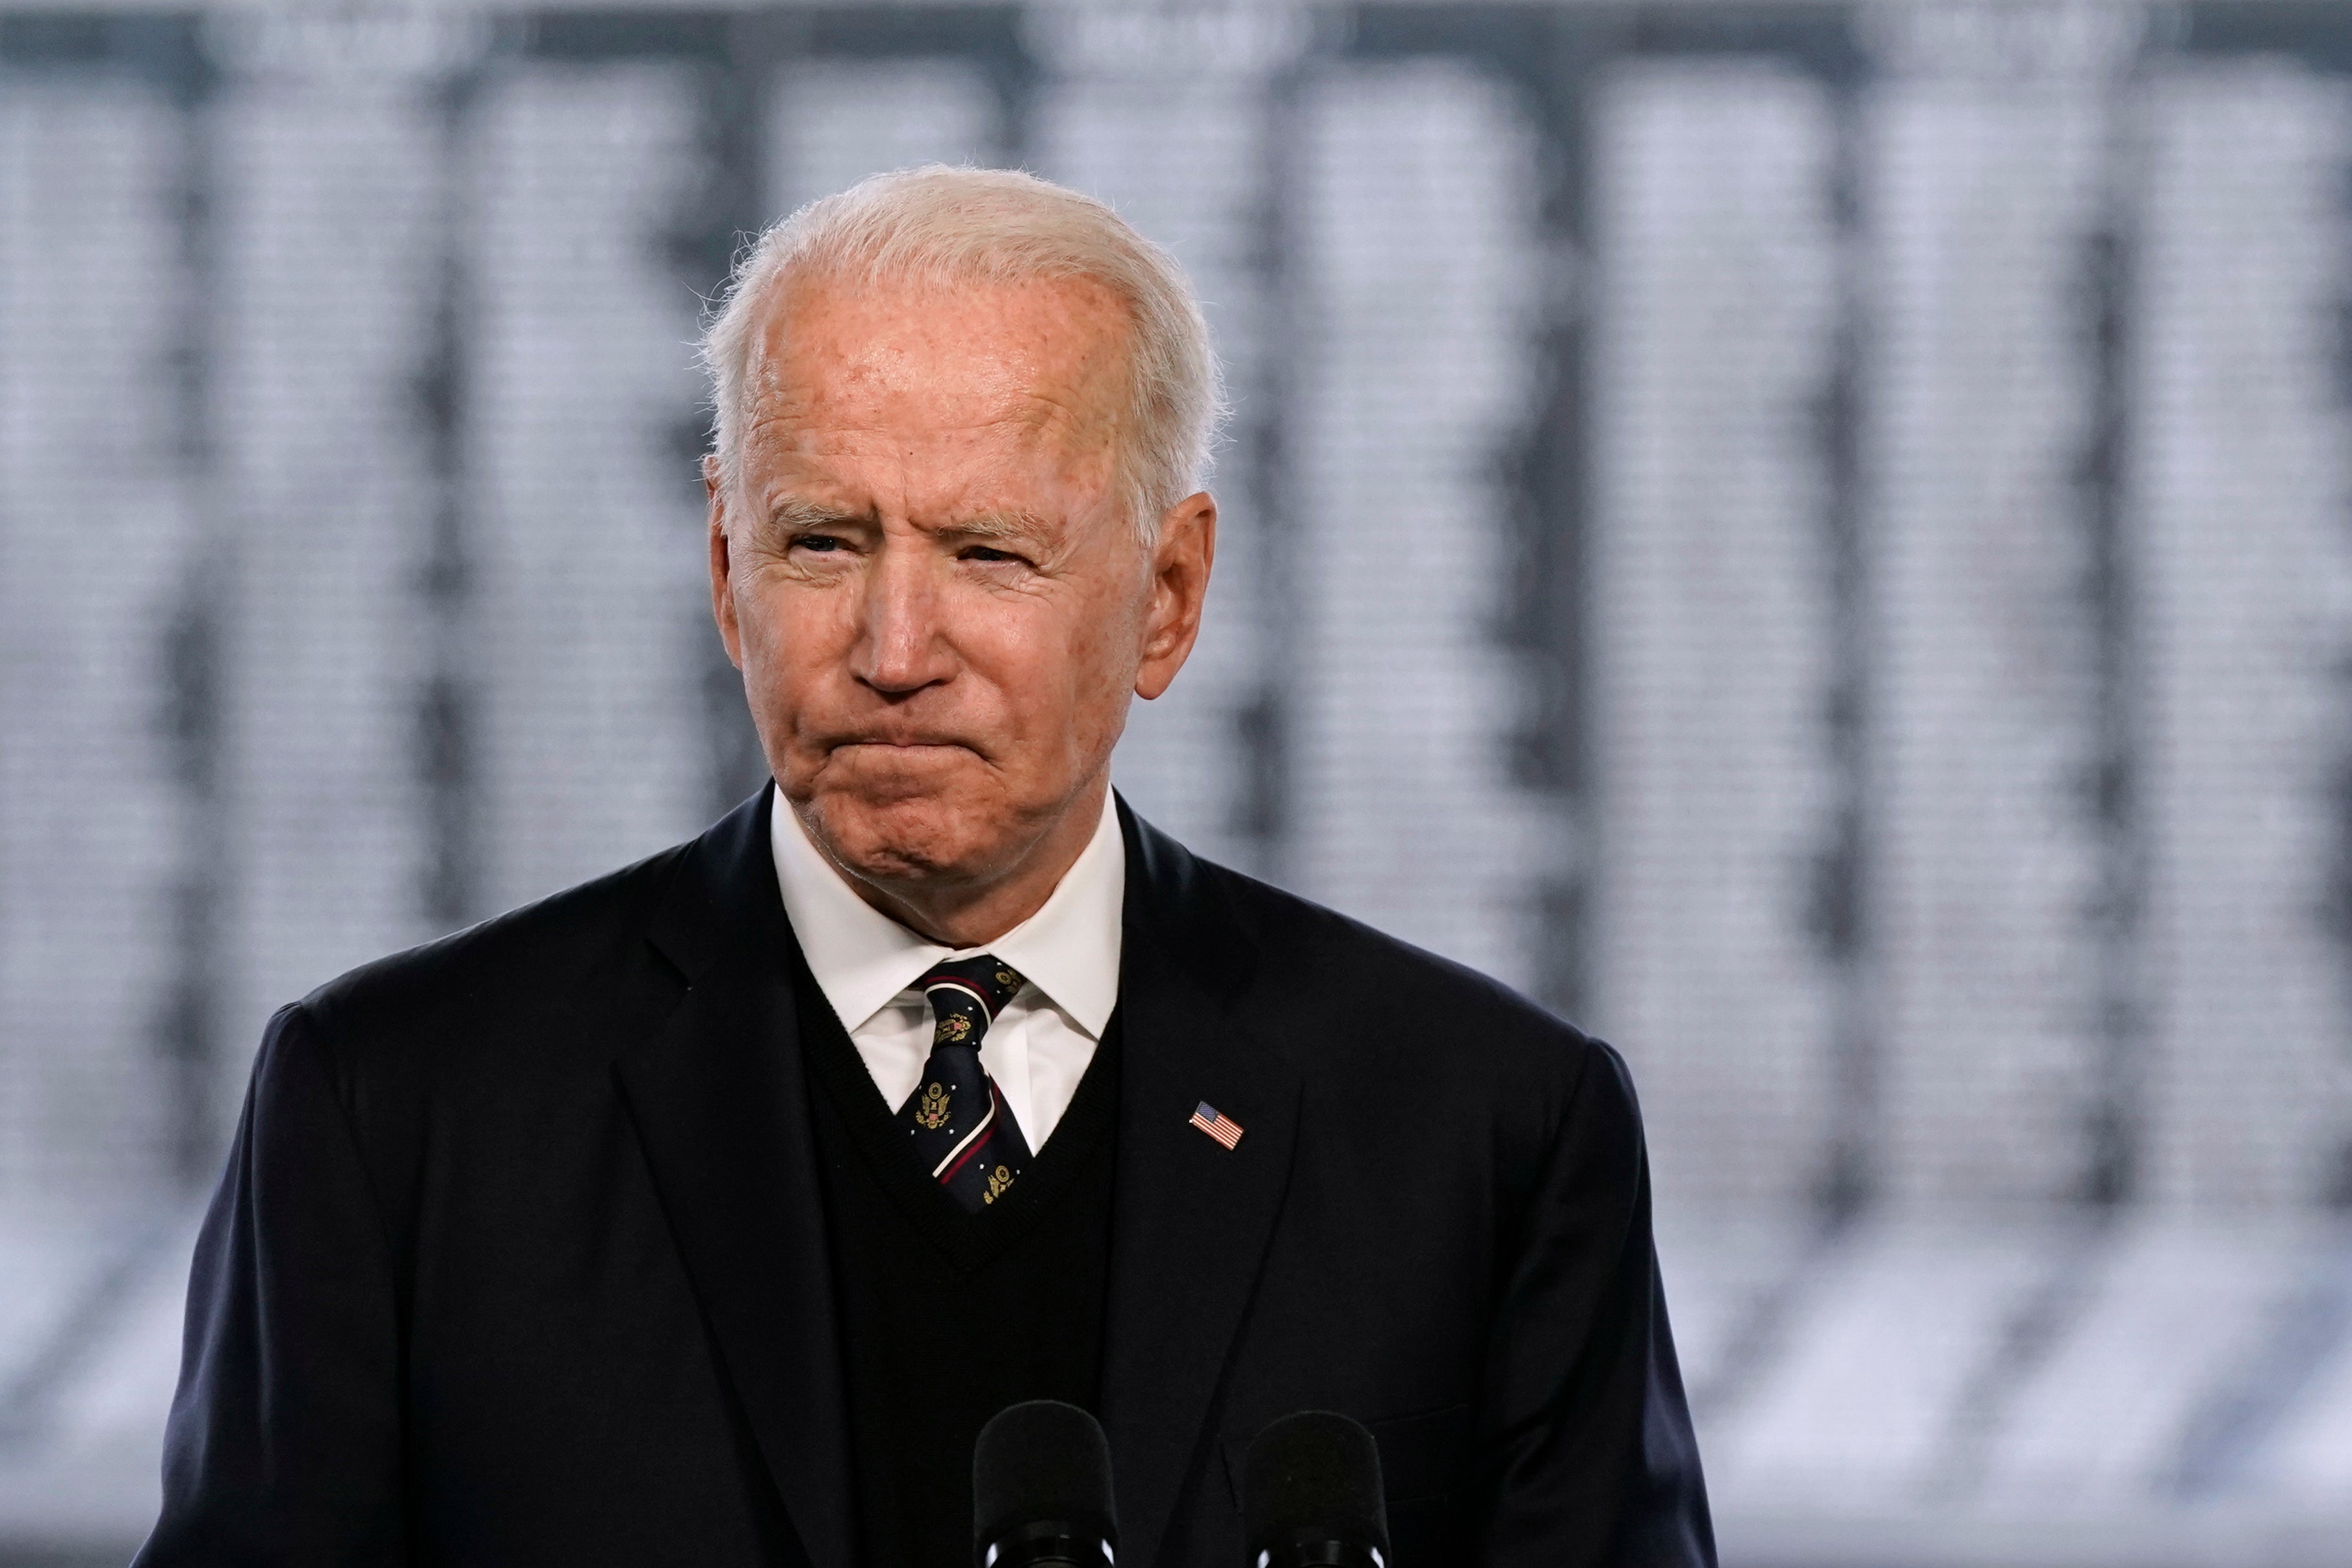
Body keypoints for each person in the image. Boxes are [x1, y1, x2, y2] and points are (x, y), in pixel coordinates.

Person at [136, 166, 1712, 1568]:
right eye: (823, 541)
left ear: (1167, 596)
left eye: (986, 553)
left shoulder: (1484, 1137)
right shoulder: (396, 1117)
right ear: (724, 570)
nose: (895, 651)